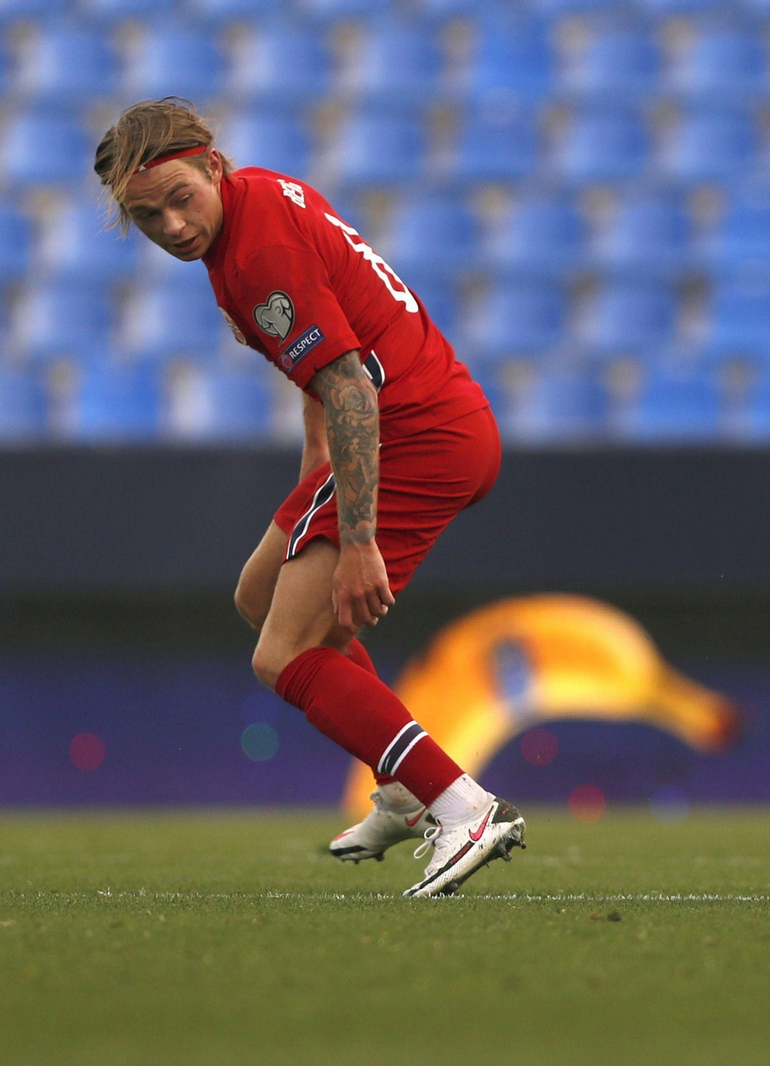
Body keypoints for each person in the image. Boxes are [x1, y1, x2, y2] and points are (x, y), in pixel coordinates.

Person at [95, 98, 523, 898]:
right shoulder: (256, 198)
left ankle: (460, 805)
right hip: (418, 417)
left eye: (181, 199)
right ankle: (401, 788)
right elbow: (327, 355)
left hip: (415, 433)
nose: (174, 227)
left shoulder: (256, 256)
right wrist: (317, 463)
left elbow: (351, 387)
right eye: (148, 217)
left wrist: (355, 540)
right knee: (259, 593)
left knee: (282, 655)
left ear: (212, 166)